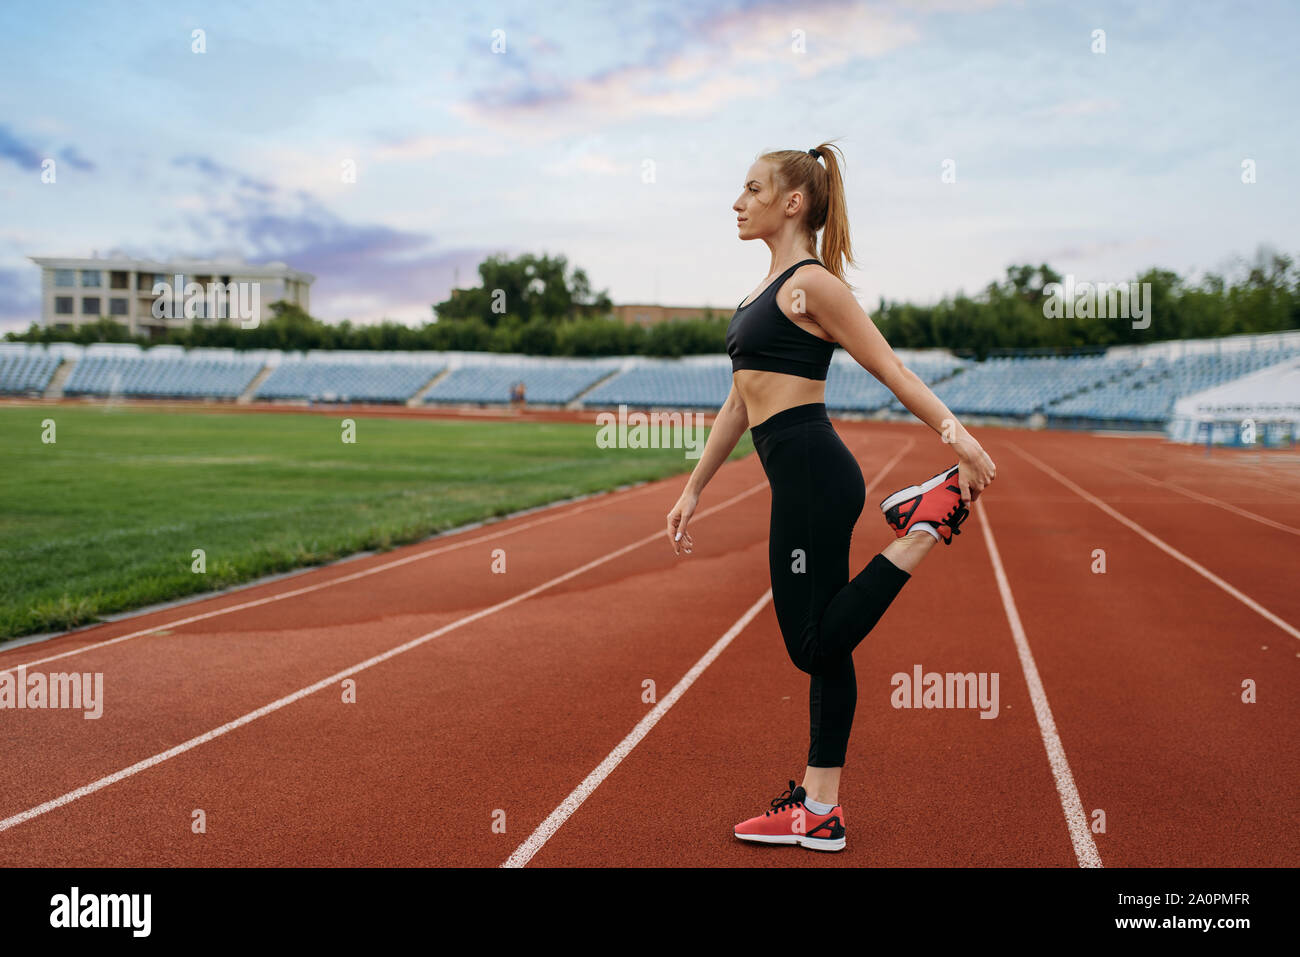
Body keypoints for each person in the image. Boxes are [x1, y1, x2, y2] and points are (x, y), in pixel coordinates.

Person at [665, 142, 997, 853]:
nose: (737, 201)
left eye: (752, 189)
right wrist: (695, 487)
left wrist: (957, 438)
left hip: (815, 473)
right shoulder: (758, 293)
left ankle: (924, 525)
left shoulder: (813, 285)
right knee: (825, 646)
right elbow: (735, 406)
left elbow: (891, 368)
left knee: (809, 642)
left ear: (793, 202)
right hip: (799, 475)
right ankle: (820, 809)